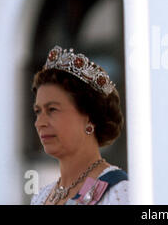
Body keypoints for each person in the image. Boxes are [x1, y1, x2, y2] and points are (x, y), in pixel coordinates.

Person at [30, 46, 129, 205]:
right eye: (38, 111)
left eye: (52, 110)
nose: (40, 123)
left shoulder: (117, 192)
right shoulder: (41, 197)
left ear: (89, 117)